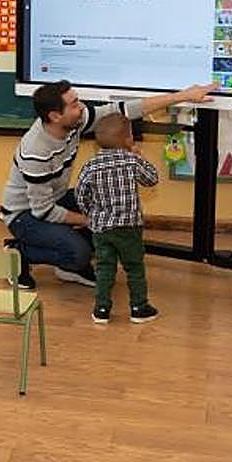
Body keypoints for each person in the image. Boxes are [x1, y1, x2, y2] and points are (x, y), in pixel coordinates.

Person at [0, 79, 215, 290]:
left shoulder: (74, 123)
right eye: (74, 105)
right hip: (25, 214)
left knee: (111, 204)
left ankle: (69, 265)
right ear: (55, 116)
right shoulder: (35, 153)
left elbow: (123, 111)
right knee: (80, 251)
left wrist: (183, 95)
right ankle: (19, 252)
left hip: (54, 200)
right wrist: (91, 221)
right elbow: (43, 211)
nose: (82, 107)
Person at [74, 113, 160, 324]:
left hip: (102, 229)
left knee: (104, 267)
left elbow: (80, 193)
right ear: (128, 139)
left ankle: (101, 309)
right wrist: (139, 155)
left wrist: (91, 214)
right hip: (130, 227)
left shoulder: (90, 165)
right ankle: (139, 307)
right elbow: (152, 179)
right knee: (134, 267)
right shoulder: (131, 160)